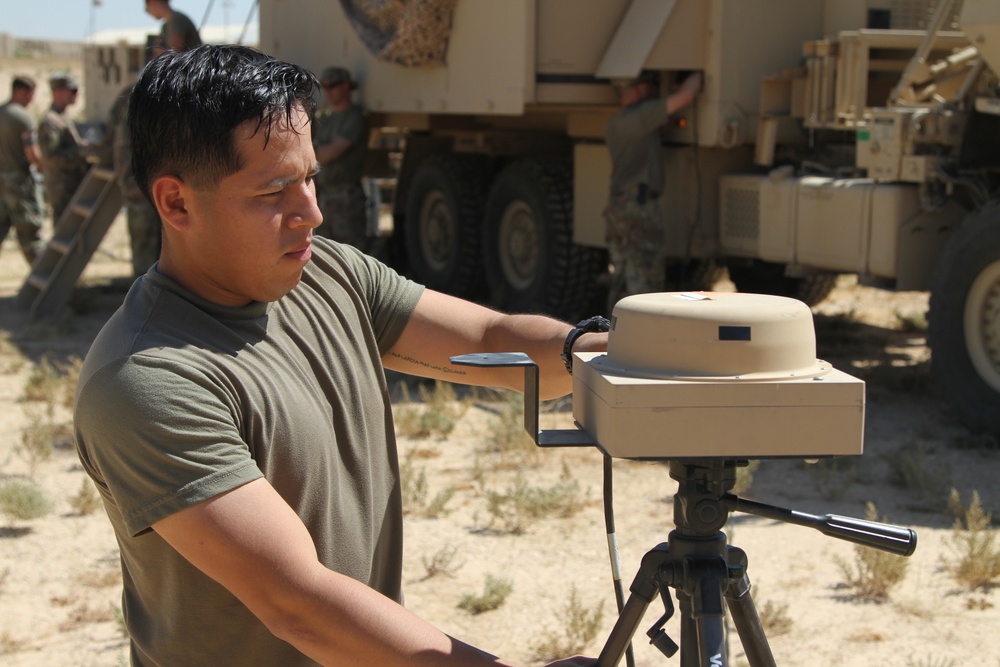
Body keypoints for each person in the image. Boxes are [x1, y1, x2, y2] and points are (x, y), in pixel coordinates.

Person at [73, 44, 602, 667]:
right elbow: (298, 603)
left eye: (310, 178)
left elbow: (491, 339)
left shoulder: (328, 275)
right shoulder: (148, 380)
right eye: (274, 191)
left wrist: (614, 353)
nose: (312, 214)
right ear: (177, 203)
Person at [603, 70, 703, 312]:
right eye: (647, 86)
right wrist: (698, 73)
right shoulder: (641, 117)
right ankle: (641, 340)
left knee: (622, 280)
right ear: (636, 90)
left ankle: (611, 337)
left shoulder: (618, 122)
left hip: (619, 207)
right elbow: (686, 95)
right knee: (645, 282)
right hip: (639, 209)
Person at [312, 66, 370, 250]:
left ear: (346, 86)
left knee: (350, 251)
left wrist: (313, 151)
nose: (328, 91)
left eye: (333, 86)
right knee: (326, 251)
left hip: (346, 196)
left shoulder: (354, 117)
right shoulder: (327, 119)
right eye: (325, 86)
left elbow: (330, 153)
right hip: (326, 195)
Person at [107, 82, 161, 276]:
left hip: (140, 180)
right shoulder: (149, 92)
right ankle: (145, 293)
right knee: (145, 241)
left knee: (148, 242)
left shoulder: (131, 91)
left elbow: (109, 125)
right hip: (139, 182)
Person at [0, 75, 46, 265]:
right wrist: (43, 168)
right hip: (20, 182)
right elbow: (32, 152)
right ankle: (44, 281)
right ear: (22, 92)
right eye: (31, 95)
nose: (31, 100)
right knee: (30, 232)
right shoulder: (23, 117)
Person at [38, 73, 89, 223]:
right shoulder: (51, 121)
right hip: (62, 187)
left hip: (72, 184)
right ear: (59, 92)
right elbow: (52, 158)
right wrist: (81, 152)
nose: (77, 94)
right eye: (72, 90)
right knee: (65, 229)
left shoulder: (62, 117)